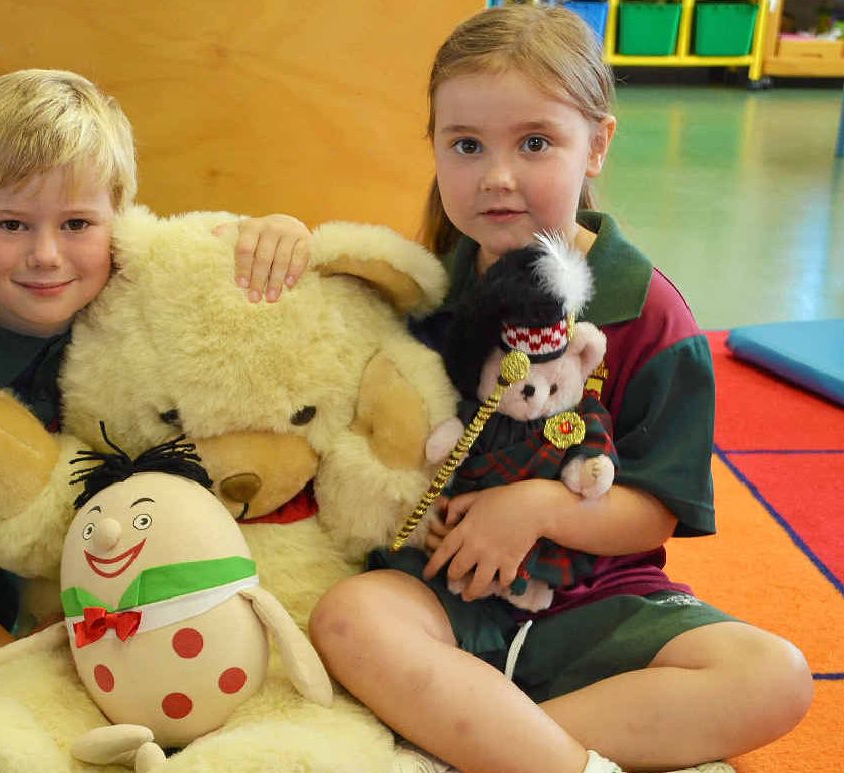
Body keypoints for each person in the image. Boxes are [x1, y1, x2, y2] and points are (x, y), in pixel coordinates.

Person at [308, 7, 813, 773]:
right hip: (445, 593)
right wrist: (281, 242)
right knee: (347, 617)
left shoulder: (648, 310)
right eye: (466, 145)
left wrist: (537, 507)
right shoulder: (424, 285)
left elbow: (655, 509)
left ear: (597, 144)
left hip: (599, 603)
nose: (496, 176)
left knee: (775, 675)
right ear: (434, 145)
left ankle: (487, 741)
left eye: (534, 143)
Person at [0, 68, 310, 699]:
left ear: (120, 221)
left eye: (76, 224)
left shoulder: (129, 292)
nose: (46, 254)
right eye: (12, 225)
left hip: (27, 561)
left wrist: (279, 230)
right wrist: (6, 657)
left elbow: (211, 258)